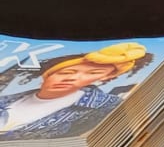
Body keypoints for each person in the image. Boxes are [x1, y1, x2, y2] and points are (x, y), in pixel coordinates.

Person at [0, 42, 149, 140]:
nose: (71, 78)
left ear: (103, 78)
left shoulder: (106, 106)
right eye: (66, 72)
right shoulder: (6, 99)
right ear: (47, 75)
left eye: (93, 73)